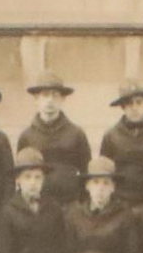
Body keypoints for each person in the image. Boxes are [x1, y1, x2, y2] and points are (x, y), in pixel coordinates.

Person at [19, 74, 91, 204]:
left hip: (70, 204)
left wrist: (82, 204)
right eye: (45, 95)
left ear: (63, 99)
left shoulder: (76, 134)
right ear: (36, 98)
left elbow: (86, 173)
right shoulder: (27, 136)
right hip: (39, 206)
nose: (50, 100)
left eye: (55, 95)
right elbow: (20, 175)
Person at [100, 83, 143, 207]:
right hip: (119, 202)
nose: (134, 107)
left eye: (139, 102)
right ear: (123, 107)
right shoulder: (110, 137)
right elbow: (105, 173)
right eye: (129, 103)